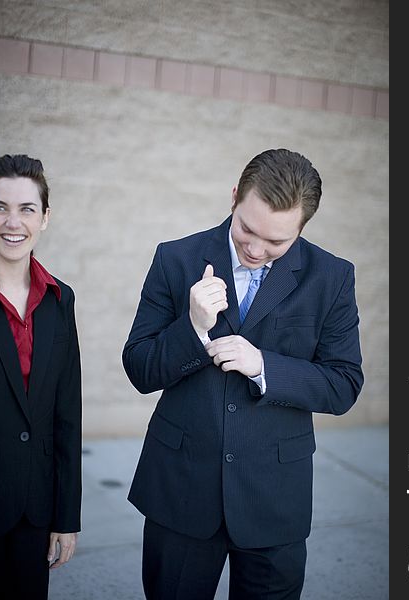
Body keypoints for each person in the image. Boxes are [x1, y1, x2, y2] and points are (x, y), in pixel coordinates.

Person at [122, 148, 363, 599]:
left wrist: (265, 367)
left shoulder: (332, 278)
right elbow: (139, 368)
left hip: (275, 498)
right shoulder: (176, 258)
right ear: (234, 197)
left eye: (276, 242)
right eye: (246, 230)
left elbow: (344, 384)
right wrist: (192, 327)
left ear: (302, 227)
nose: (254, 249)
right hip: (181, 491)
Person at [0, 154, 82, 599]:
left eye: (27, 209)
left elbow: (67, 414)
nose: (13, 222)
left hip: (34, 507)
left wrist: (66, 517)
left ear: (45, 218)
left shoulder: (60, 301)